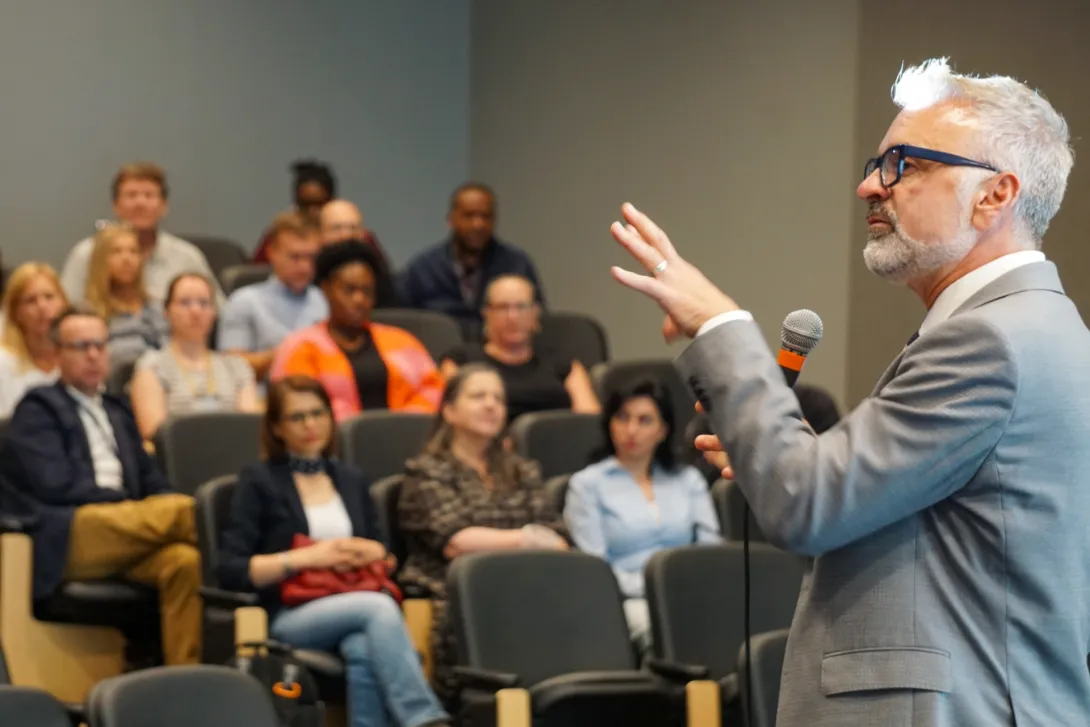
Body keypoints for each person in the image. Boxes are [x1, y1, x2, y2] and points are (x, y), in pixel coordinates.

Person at [609, 58, 1088, 726]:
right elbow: (907, 518)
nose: (870, 185)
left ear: (995, 195)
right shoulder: (1041, 325)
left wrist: (717, 322)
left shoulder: (991, 340)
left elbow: (805, 506)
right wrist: (782, 454)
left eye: (906, 165)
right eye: (876, 162)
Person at [218, 375, 450, 727]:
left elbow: (384, 554)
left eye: (318, 413)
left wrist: (371, 552)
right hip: (290, 612)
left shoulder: (350, 478)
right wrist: (307, 558)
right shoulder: (259, 481)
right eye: (298, 417)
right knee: (379, 608)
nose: (311, 425)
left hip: (352, 600)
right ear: (277, 428)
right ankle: (424, 718)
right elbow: (232, 568)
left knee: (363, 649)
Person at [0, 306, 201, 664]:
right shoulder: (38, 409)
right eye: (80, 346)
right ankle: (226, 537)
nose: (93, 355)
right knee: (185, 512)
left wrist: (151, 502)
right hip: (73, 533)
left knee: (185, 562)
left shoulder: (117, 410)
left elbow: (150, 479)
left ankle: (183, 680)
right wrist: (130, 505)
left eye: (99, 345)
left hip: (132, 531)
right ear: (58, 353)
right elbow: (55, 486)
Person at [398, 364, 569, 706]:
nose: (492, 405)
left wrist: (518, 540)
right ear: (449, 410)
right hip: (456, 594)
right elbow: (457, 541)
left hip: (529, 585)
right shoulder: (426, 472)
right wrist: (526, 539)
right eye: (478, 396)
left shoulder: (521, 469)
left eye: (498, 399)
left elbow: (557, 538)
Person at [564, 379, 719, 655]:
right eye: (622, 417)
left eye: (644, 420)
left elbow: (710, 546)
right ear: (609, 424)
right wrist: (658, 587)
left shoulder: (687, 480)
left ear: (663, 430)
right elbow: (596, 567)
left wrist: (690, 587)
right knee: (659, 627)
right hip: (627, 600)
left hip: (692, 593)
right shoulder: (587, 485)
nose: (631, 429)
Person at [270, 241, 442, 422]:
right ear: (326, 290)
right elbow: (296, 406)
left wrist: (403, 423)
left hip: (405, 440)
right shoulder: (300, 346)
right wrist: (359, 430)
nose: (359, 299)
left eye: (367, 291)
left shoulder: (402, 341)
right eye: (349, 290)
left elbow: (433, 389)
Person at [60, 162, 224, 306]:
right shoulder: (86, 254)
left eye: (149, 195)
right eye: (131, 195)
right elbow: (65, 314)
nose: (140, 203)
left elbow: (221, 313)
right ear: (115, 205)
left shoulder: (187, 257)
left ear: (164, 206)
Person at [440, 275, 598, 422]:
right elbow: (452, 421)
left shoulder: (564, 364)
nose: (512, 317)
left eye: (521, 307)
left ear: (535, 313)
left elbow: (588, 423)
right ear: (486, 314)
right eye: (502, 307)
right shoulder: (460, 362)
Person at [400, 183, 546, 337]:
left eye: (486, 216)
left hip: (500, 355)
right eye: (469, 216)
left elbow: (539, 320)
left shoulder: (516, 265)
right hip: (438, 355)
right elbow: (402, 326)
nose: (478, 224)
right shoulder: (423, 268)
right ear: (451, 220)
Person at [130, 273, 259, 440]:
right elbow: (154, 433)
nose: (196, 311)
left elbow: (250, 428)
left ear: (214, 312)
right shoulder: (152, 366)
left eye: (204, 303)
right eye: (185, 303)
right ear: (167, 312)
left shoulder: (237, 366)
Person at [218, 211, 328, 379]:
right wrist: (288, 352)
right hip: (264, 399)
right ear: (272, 253)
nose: (305, 267)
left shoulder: (325, 301)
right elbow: (231, 367)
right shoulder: (245, 301)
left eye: (311, 257)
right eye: (295, 257)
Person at [83, 222, 169, 363]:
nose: (127, 259)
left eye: (133, 251)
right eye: (116, 252)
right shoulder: (90, 314)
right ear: (101, 260)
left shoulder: (158, 308)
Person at [0, 264, 67, 417]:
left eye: (49, 297)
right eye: (30, 301)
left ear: (64, 303)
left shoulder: (78, 356)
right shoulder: (3, 363)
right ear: (16, 312)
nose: (42, 307)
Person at [252, 160, 338, 263]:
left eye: (319, 204)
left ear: (332, 201)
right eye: (305, 204)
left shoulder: (348, 234)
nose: (312, 211)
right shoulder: (278, 237)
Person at [320, 199, 400, 308]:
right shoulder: (307, 268)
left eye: (353, 228)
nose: (346, 235)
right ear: (319, 233)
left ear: (363, 234)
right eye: (336, 228)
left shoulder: (375, 268)